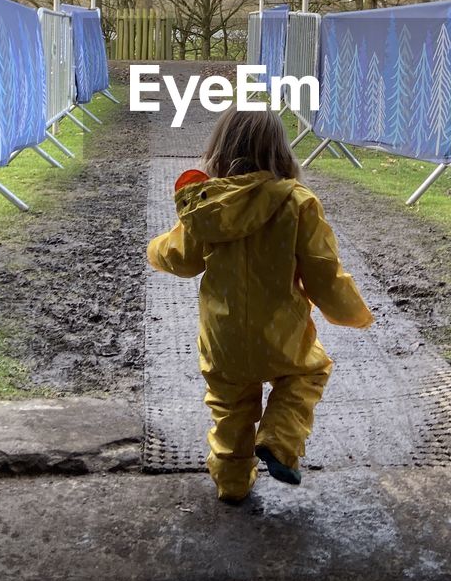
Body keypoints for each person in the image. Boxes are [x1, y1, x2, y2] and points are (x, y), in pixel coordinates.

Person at [147, 105, 374, 503]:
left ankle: (232, 483)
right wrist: (353, 312)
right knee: (308, 372)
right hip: (281, 335)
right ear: (281, 152)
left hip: (223, 340)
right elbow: (324, 272)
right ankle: (279, 441)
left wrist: (154, 251)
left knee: (230, 410)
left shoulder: (209, 206)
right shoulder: (298, 203)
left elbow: (182, 258)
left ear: (219, 149)